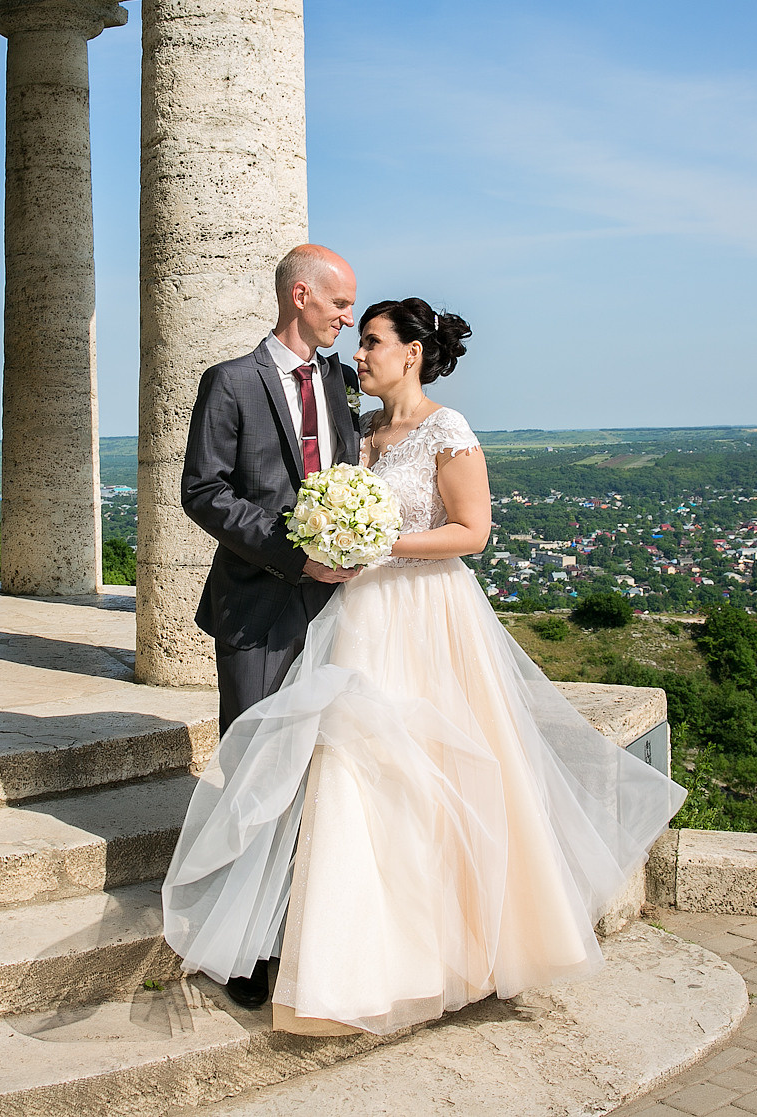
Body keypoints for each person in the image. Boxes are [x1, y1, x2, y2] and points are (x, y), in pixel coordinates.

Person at [164, 296, 687, 1035]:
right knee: (355, 775)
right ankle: (358, 961)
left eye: (372, 341)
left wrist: (379, 544)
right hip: (357, 619)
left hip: (428, 619)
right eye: (358, 339)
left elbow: (473, 532)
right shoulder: (360, 431)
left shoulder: (448, 429)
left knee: (439, 775)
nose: (358, 354)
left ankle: (454, 951)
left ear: (411, 353)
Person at [178, 243, 365, 1009]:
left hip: (342, 609)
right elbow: (204, 491)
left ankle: (305, 929)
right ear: (301, 295)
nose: (348, 317)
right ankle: (243, 945)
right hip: (258, 608)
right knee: (255, 774)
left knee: (325, 774)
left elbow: (355, 475)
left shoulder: (342, 382)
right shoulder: (230, 382)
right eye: (340, 302)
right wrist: (297, 553)